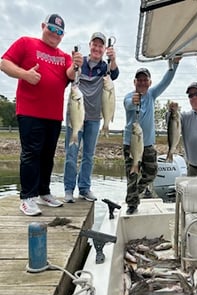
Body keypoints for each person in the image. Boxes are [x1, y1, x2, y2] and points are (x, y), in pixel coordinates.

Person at [0, 14, 83, 216]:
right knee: (31, 154)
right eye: (52, 29)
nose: (55, 34)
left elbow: (70, 75)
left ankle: (43, 192)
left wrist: (76, 64)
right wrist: (25, 74)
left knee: (48, 156)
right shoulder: (26, 43)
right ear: (43, 26)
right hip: (30, 112)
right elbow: (4, 63)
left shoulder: (63, 56)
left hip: (53, 116)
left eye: (60, 32)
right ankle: (27, 197)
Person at [63, 32, 119, 203]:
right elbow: (68, 76)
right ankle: (68, 189)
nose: (97, 48)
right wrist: (74, 65)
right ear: (90, 45)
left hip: (95, 118)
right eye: (94, 45)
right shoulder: (80, 63)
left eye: (100, 46)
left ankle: (84, 189)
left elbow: (114, 75)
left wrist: (113, 59)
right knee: (71, 153)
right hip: (75, 114)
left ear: (103, 49)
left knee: (88, 155)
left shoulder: (105, 67)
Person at [123, 58, 180, 215]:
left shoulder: (152, 95)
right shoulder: (129, 97)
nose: (142, 82)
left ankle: (136, 192)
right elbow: (128, 104)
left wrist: (174, 65)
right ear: (134, 82)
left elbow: (165, 82)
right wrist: (133, 101)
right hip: (131, 144)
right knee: (132, 176)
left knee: (151, 173)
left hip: (148, 145)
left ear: (149, 82)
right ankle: (132, 203)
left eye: (145, 80)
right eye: (139, 80)